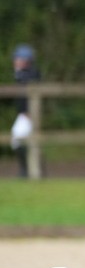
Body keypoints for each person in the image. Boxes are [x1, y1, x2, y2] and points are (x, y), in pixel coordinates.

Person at [11, 44, 40, 178]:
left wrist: (29, 113)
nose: (16, 61)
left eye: (18, 58)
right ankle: (31, 170)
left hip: (28, 115)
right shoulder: (22, 74)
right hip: (23, 114)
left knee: (19, 139)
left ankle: (27, 171)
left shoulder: (30, 74)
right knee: (24, 141)